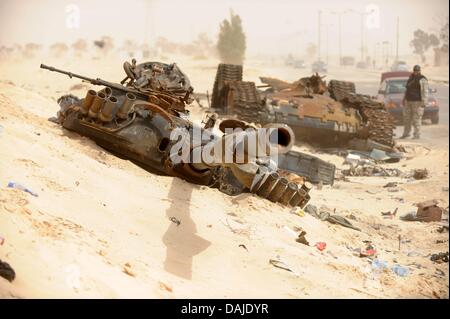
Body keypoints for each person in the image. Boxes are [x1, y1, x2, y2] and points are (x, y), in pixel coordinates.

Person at [400, 65, 429, 139]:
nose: (416, 72)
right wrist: (404, 99)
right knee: (407, 118)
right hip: (408, 100)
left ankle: (417, 134)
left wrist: (424, 102)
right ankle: (406, 133)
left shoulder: (422, 79)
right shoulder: (411, 77)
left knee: (416, 118)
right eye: (415, 70)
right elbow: (407, 89)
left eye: (417, 70)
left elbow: (425, 91)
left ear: (419, 71)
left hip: (417, 102)